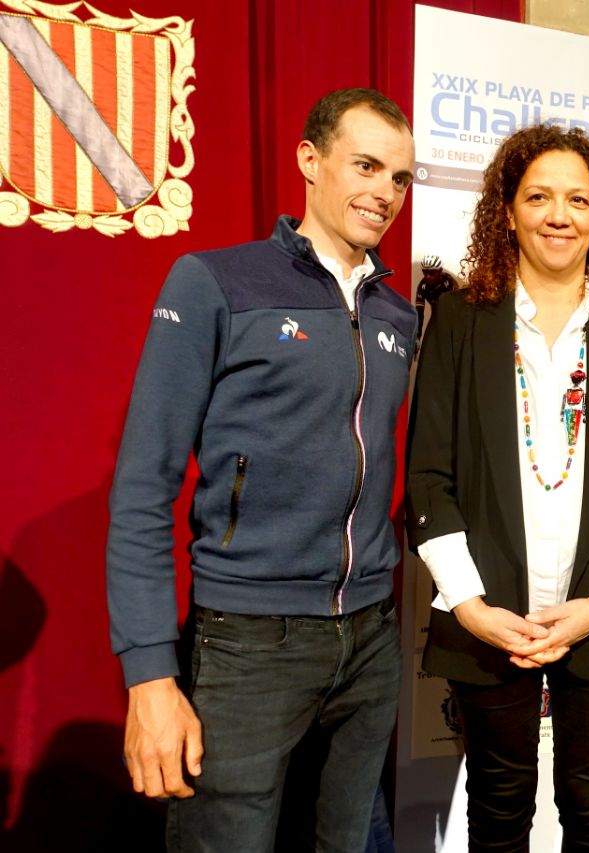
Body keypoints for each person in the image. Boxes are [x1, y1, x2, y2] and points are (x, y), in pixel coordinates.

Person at [105, 88, 416, 851]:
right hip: (248, 643)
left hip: (371, 637)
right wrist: (149, 674)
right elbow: (144, 484)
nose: (383, 192)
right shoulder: (214, 283)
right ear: (310, 161)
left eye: (401, 178)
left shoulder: (397, 317)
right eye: (366, 165)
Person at [406, 124, 589, 852]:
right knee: (498, 803)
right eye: (539, 197)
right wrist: (471, 605)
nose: (559, 215)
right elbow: (427, 474)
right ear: (508, 210)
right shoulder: (461, 321)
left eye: (578, 200)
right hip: (486, 619)